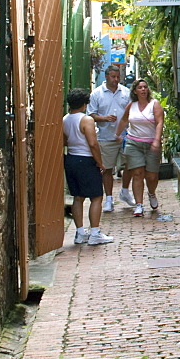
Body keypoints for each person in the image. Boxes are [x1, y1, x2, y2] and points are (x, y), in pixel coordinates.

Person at [63, 88, 114, 245]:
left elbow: (64, 141)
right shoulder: (86, 120)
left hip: (71, 159)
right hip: (85, 160)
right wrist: (99, 162)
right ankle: (95, 233)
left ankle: (79, 233)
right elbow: (92, 143)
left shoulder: (65, 119)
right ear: (85, 104)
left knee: (77, 197)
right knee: (96, 197)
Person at [87, 65, 136, 212]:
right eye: (113, 77)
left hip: (125, 137)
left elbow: (132, 112)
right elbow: (91, 115)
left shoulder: (126, 92)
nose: (115, 80)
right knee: (107, 169)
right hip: (105, 137)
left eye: (117, 77)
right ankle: (109, 199)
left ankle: (125, 191)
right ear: (106, 76)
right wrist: (104, 118)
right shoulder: (96, 94)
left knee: (130, 165)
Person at [115, 79, 164, 217]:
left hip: (150, 144)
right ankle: (139, 205)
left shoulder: (154, 104)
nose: (143, 90)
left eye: (145, 87)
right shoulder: (131, 105)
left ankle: (152, 193)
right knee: (137, 174)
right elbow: (124, 120)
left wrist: (156, 140)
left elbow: (160, 122)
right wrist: (117, 134)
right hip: (133, 143)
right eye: (140, 87)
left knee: (152, 176)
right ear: (135, 91)